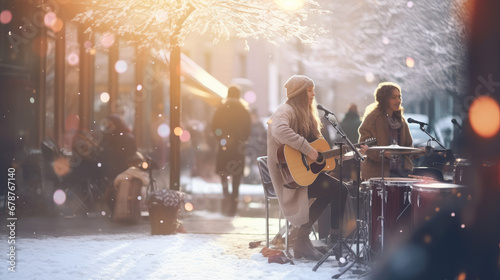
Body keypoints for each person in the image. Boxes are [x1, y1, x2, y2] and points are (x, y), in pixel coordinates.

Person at [266, 75, 368, 261]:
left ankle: (310, 241)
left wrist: (351, 152)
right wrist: (307, 149)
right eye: (309, 90)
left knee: (338, 190)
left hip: (302, 175)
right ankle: (324, 241)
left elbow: (320, 153)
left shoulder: (308, 115)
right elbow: (278, 129)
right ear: (299, 93)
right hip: (289, 178)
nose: (314, 93)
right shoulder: (286, 110)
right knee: (338, 190)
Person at [358, 82, 414, 180]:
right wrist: (383, 154)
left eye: (399, 97)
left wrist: (418, 151)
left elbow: (408, 145)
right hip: (378, 174)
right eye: (394, 97)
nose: (398, 100)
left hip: (401, 173)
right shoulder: (372, 119)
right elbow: (364, 145)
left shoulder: (401, 120)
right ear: (384, 99)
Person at [212, 85, 252, 216]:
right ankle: (234, 202)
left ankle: (226, 197)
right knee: (236, 175)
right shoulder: (244, 110)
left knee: (223, 173)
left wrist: (221, 138)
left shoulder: (221, 109)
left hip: (224, 146)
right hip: (238, 148)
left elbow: (214, 126)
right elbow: (248, 130)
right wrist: (241, 140)